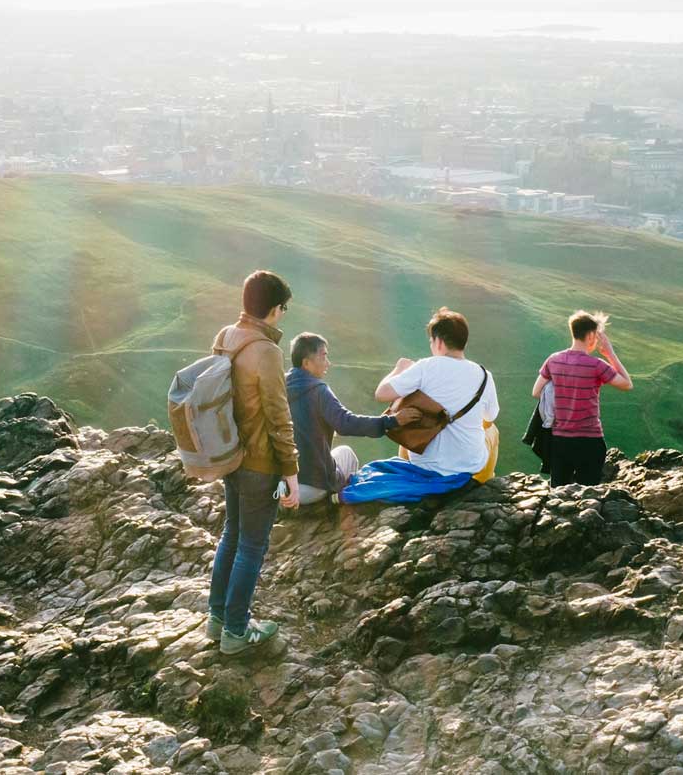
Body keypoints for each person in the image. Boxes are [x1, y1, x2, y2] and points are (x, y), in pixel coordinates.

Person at [205, 270, 300, 656]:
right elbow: (279, 418)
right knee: (252, 545)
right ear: (275, 309)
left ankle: (217, 620)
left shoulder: (226, 336)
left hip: (229, 454)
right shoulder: (267, 351)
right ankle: (237, 633)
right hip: (260, 463)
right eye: (284, 308)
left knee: (232, 534)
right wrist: (291, 473)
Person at [341, 308, 498, 504]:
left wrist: (399, 369)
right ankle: (485, 481)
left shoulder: (426, 367)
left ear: (439, 341)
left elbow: (381, 393)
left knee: (412, 419)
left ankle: (414, 468)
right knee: (492, 430)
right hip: (470, 465)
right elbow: (490, 417)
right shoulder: (484, 375)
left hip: (424, 463)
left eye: (432, 341)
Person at [285, 332, 420, 505]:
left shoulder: (280, 386)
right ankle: (340, 508)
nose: (328, 363)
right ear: (306, 363)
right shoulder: (318, 390)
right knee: (348, 455)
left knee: (340, 454)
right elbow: (346, 423)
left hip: (283, 486)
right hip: (310, 487)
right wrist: (391, 421)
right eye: (323, 356)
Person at [531, 312, 633, 486]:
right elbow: (626, 384)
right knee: (588, 497)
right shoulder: (596, 365)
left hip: (560, 441)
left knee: (559, 497)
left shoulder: (553, 360)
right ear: (592, 335)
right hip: (590, 441)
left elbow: (536, 391)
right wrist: (610, 353)